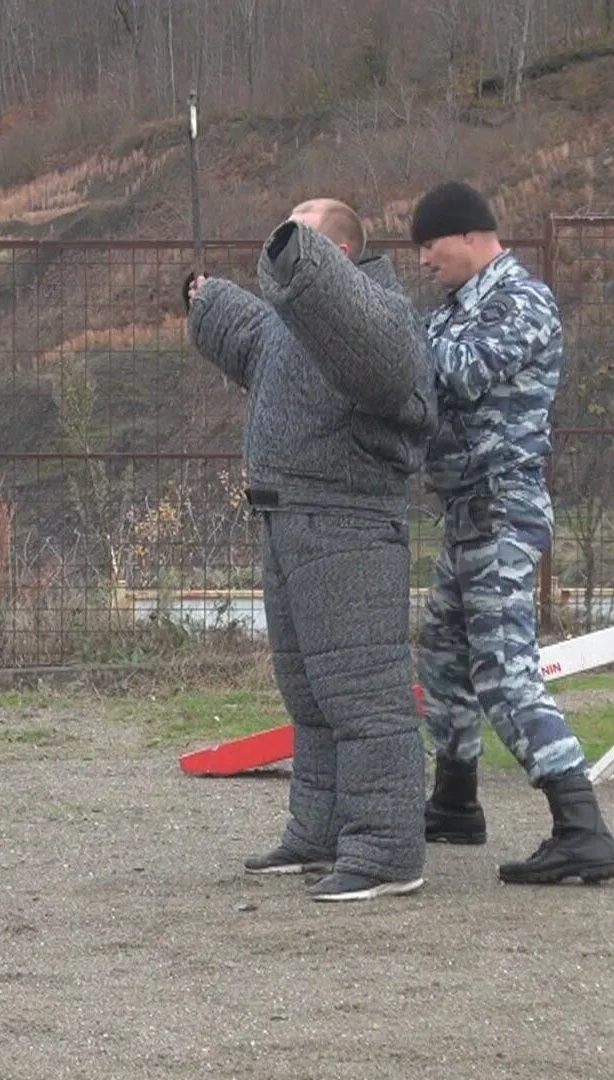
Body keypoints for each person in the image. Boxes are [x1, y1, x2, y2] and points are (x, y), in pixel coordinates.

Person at [185, 198, 436, 902]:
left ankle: (386, 851)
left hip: (347, 527)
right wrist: (204, 302)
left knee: (363, 695)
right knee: (312, 697)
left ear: (341, 257)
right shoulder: (293, 332)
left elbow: (390, 374)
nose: (284, 243)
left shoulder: (380, 319)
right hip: (291, 524)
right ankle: (319, 833)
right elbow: (249, 336)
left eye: (304, 237)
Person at [409, 180, 614, 886]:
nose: (421, 260)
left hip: (505, 507)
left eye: (428, 244)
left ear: (468, 235)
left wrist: (383, 339)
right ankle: (456, 802)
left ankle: (581, 827)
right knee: (443, 653)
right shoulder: (450, 310)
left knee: (504, 668)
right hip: (468, 511)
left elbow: (460, 375)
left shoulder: (521, 302)